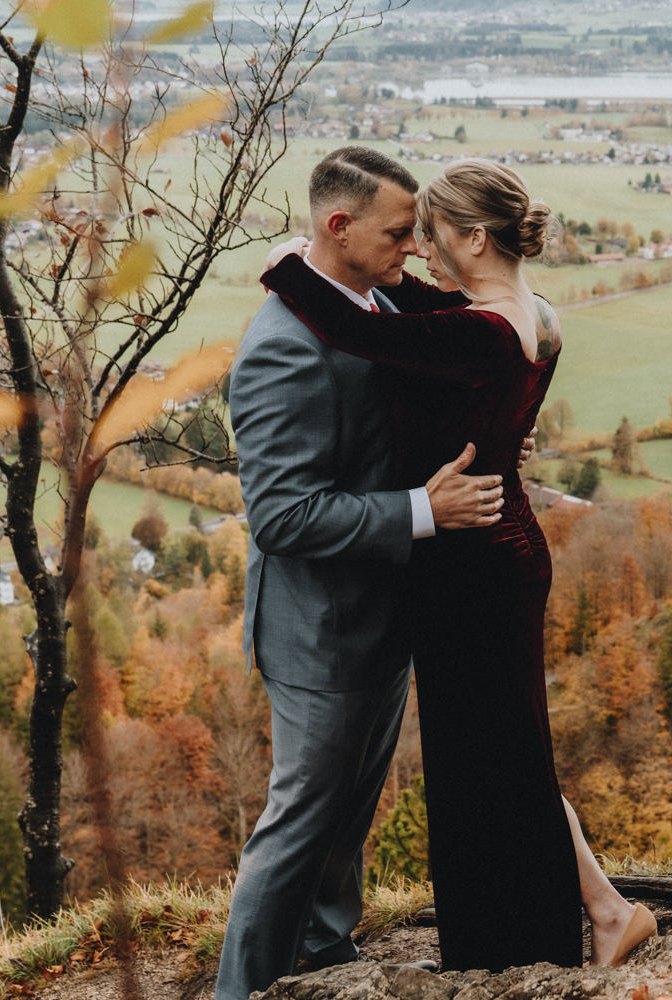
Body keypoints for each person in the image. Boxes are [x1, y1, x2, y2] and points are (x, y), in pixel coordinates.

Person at [260, 157, 656, 971]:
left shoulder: (479, 331)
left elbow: (365, 329)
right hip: (495, 547)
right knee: (507, 750)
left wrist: (287, 268)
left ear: (475, 237)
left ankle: (513, 950)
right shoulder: (532, 313)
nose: (419, 253)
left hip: (473, 560)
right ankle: (594, 913)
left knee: (486, 766)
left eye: (430, 236)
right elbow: (415, 313)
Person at [216, 147, 511, 1000]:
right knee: (300, 822)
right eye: (396, 232)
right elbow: (282, 516)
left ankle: (321, 948)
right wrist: (425, 511)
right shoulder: (281, 347)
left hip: (383, 613)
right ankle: (243, 988)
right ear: (337, 227)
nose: (413, 248)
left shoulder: (371, 301)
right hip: (318, 630)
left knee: (349, 810)